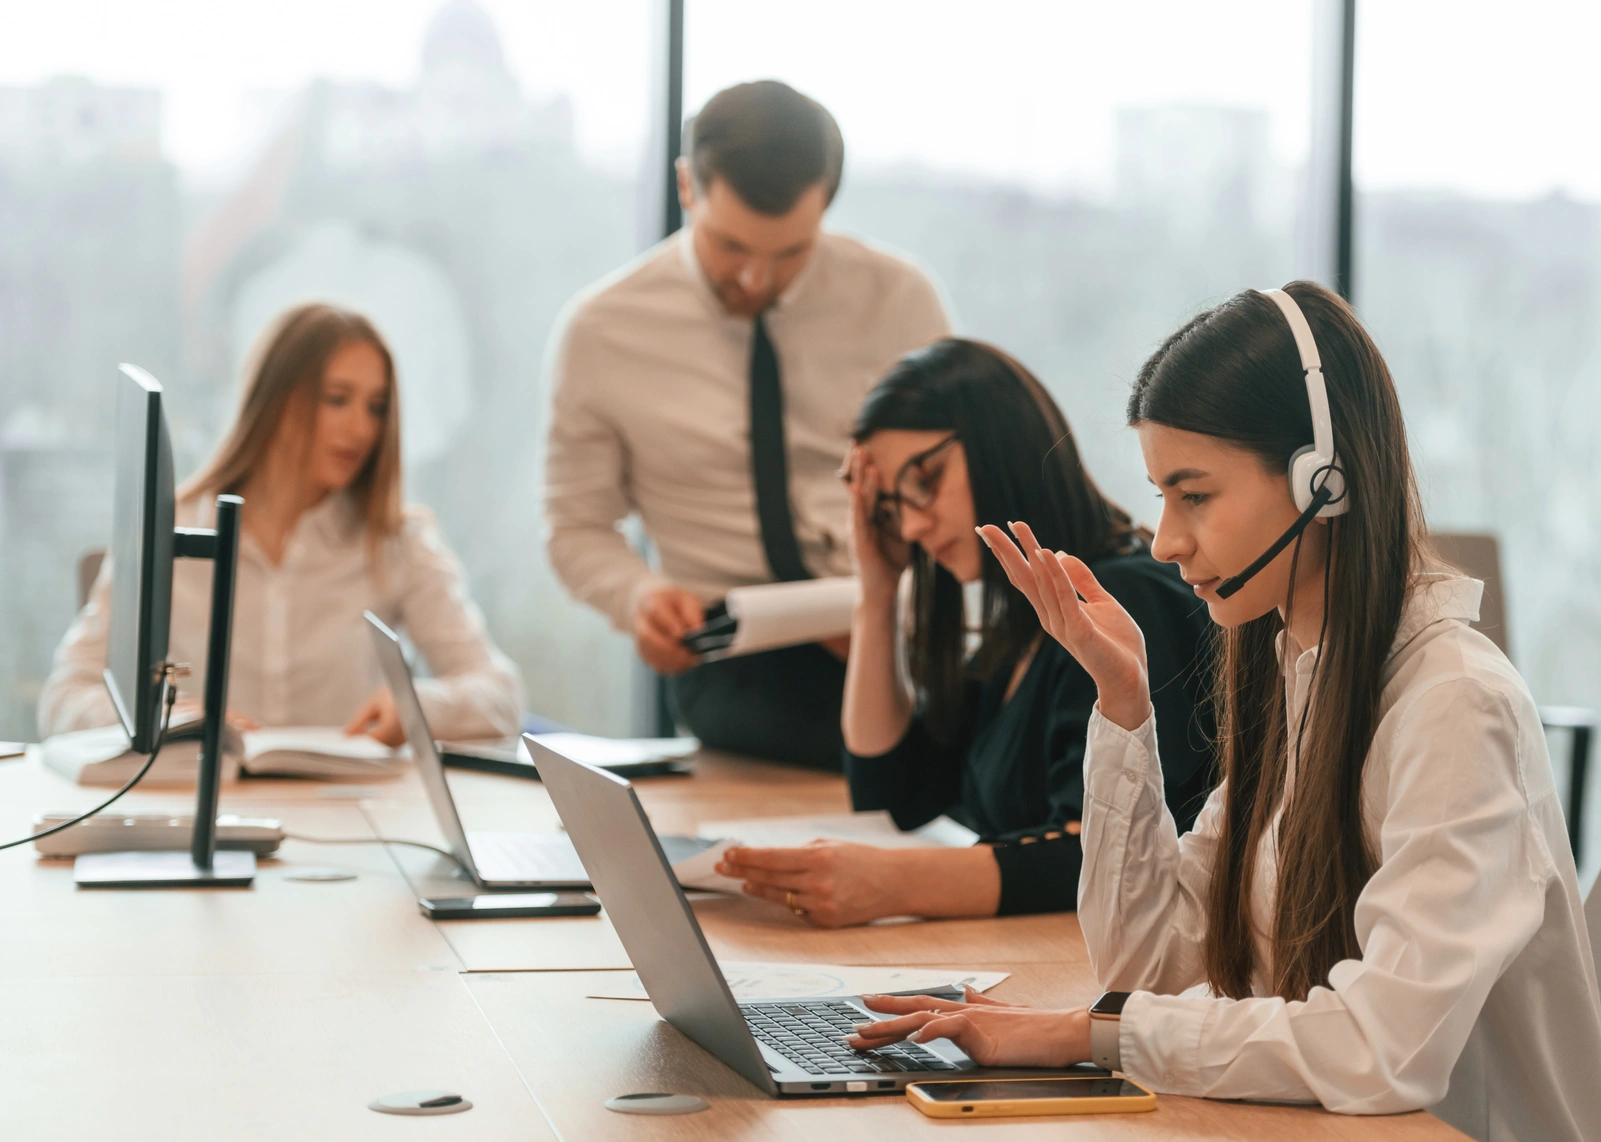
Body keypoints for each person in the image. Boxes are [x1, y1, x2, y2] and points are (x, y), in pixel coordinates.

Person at [847, 284, 1601, 1142]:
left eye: (1196, 495)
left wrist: (1086, 1037)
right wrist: (1123, 705)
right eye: (1161, 497)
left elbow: (1382, 1050)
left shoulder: (1452, 705)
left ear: (1321, 484)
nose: (1169, 541)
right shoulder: (1292, 672)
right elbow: (1149, 962)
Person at [715, 340, 1212, 925]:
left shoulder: (1123, 600)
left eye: (924, 480)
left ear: (998, 443)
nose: (912, 524)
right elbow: (888, 795)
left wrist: (893, 884)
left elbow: (1101, 853)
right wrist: (876, 593)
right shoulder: (1017, 633)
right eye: (892, 508)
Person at [544, 80, 949, 771]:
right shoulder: (602, 330)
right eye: (732, 246)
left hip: (892, 634)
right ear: (686, 188)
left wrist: (897, 608)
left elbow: (958, 493)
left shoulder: (898, 300)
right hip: (731, 662)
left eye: (792, 252)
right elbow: (575, 527)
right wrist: (639, 596)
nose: (758, 278)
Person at [40, 303, 523, 746]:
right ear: (277, 401)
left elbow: (500, 695)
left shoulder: (399, 543)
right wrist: (167, 717)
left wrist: (417, 707)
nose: (361, 429)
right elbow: (63, 699)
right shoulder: (171, 532)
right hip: (201, 810)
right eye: (338, 399)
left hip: (351, 817)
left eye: (375, 407)